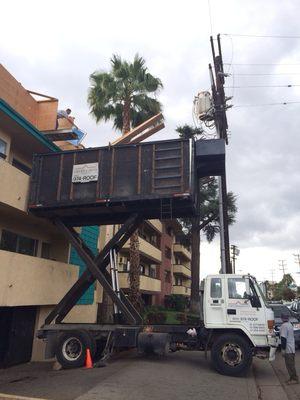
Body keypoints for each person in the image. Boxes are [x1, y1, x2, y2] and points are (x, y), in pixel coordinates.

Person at [280, 312, 299, 384]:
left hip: (288, 349)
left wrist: (283, 349)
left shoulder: (284, 326)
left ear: (282, 318)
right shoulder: (290, 324)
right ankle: (292, 378)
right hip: (292, 348)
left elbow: (283, 338)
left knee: (290, 365)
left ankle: (294, 379)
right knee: (291, 364)